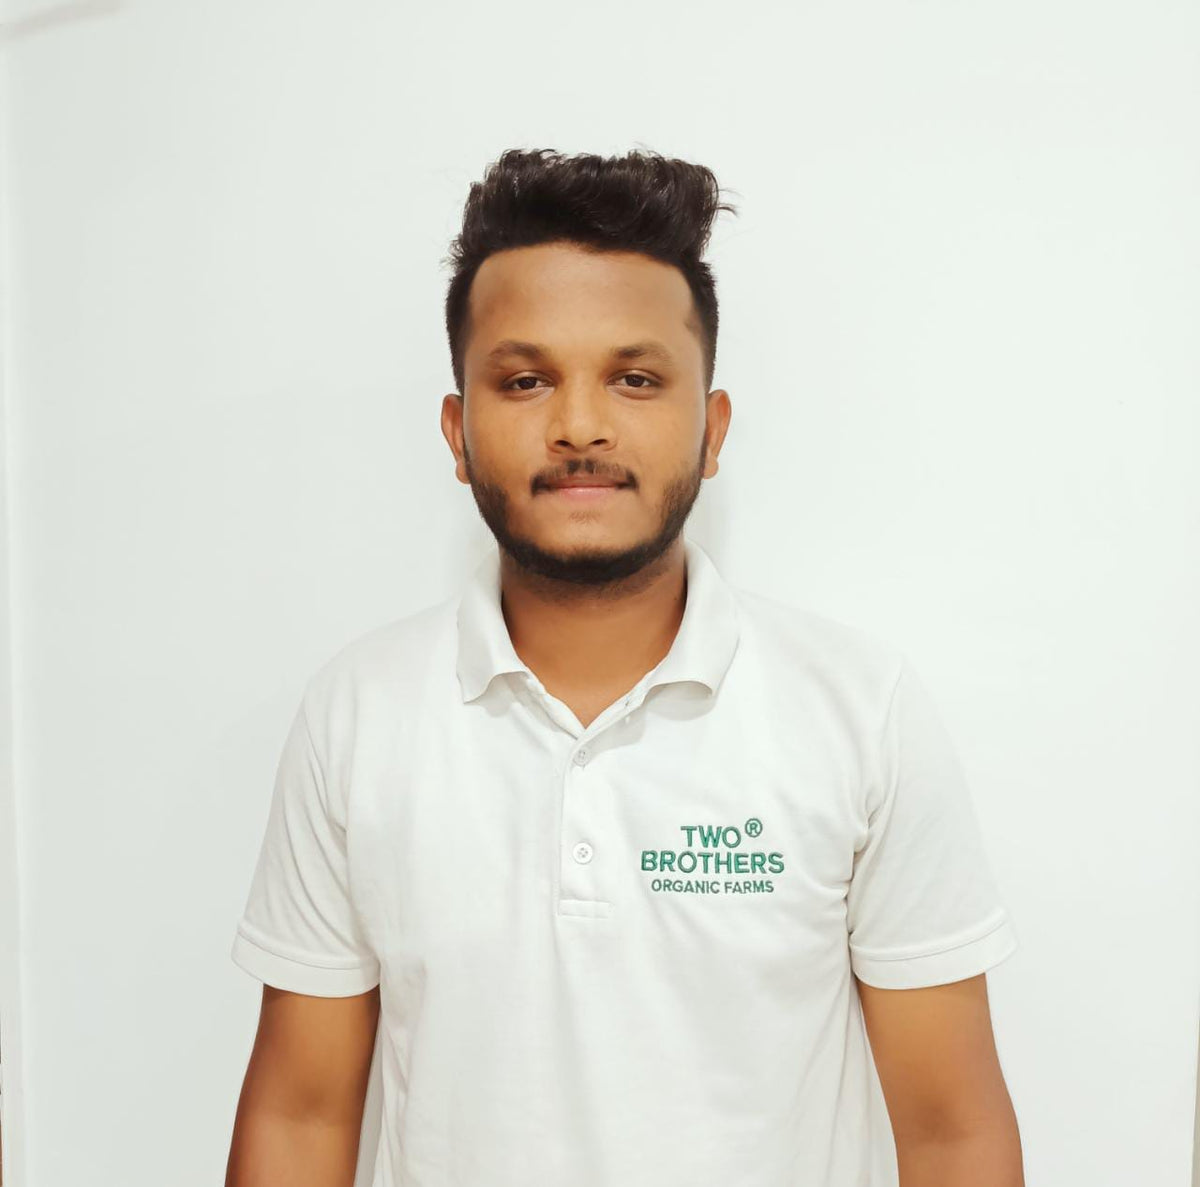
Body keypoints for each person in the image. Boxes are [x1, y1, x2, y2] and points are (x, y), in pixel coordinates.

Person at [225, 147, 1024, 1187]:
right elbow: (299, 1116)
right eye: (526, 380)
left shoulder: (857, 710)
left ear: (712, 429)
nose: (580, 426)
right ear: (458, 432)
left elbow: (952, 1130)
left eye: (636, 379)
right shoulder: (359, 712)